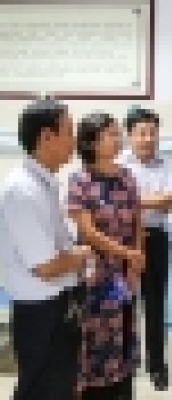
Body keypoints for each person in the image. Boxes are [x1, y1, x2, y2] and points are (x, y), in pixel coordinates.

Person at [0, 99, 91, 400]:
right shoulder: (22, 190)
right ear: (46, 137)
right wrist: (83, 254)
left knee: (59, 388)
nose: (74, 139)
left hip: (58, 305)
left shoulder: (45, 184)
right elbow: (46, 266)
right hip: (41, 312)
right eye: (69, 131)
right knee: (42, 390)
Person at [67, 112, 145, 399]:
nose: (117, 139)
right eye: (110, 134)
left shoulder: (127, 176)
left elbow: (137, 220)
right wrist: (127, 253)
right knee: (95, 337)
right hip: (95, 272)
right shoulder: (80, 180)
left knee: (123, 332)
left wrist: (135, 261)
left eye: (116, 133)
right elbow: (88, 232)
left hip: (125, 270)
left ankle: (121, 389)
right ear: (91, 142)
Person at [120, 107, 172, 390]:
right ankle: (124, 364)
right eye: (141, 133)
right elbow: (117, 203)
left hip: (156, 239)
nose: (148, 138)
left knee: (155, 305)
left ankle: (157, 366)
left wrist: (131, 200)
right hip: (121, 241)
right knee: (123, 303)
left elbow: (169, 200)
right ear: (129, 134)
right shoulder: (118, 163)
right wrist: (148, 200)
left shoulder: (168, 165)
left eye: (153, 132)